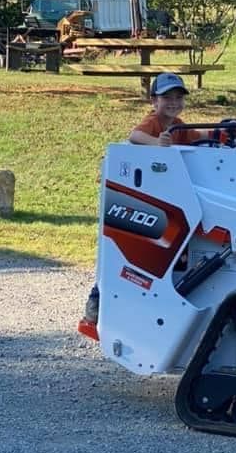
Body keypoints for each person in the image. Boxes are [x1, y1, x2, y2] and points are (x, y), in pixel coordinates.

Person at [78, 73, 205, 339]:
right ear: (153, 100)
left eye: (178, 97)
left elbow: (198, 138)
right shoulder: (153, 123)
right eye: (166, 97)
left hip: (163, 203)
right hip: (134, 200)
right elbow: (134, 136)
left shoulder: (179, 126)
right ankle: (94, 312)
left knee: (157, 259)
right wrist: (157, 144)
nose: (173, 102)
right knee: (119, 255)